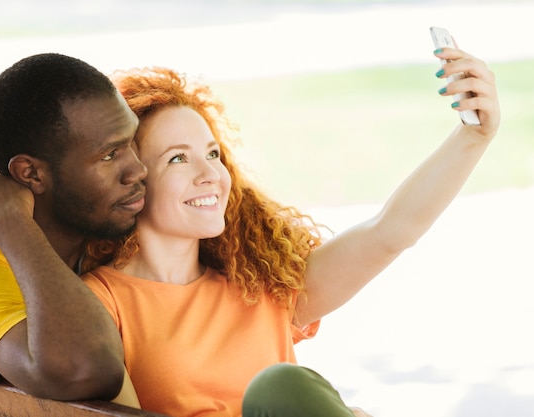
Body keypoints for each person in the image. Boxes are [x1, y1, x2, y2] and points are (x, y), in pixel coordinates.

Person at [80, 44, 500, 417]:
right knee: (281, 387)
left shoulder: (261, 285)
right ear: (133, 179)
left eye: (213, 153)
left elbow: (389, 232)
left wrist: (474, 137)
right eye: (178, 159)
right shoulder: (103, 301)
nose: (211, 174)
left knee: (285, 388)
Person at [0, 53, 146, 405]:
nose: (137, 169)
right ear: (31, 174)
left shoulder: (103, 222)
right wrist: (9, 220)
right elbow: (90, 371)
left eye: (132, 142)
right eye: (109, 155)